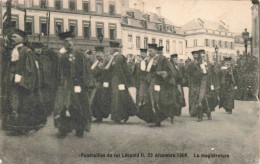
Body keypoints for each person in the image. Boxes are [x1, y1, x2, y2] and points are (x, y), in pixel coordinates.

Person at [1, 29, 43, 135]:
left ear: (22, 39)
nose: (13, 39)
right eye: (12, 37)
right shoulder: (12, 50)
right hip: (11, 81)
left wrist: (21, 79)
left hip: (22, 83)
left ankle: (24, 128)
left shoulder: (27, 51)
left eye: (15, 37)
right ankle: (14, 127)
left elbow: (30, 69)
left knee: (23, 104)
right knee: (12, 103)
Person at [53, 31, 93, 138]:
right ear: (63, 42)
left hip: (77, 84)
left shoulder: (79, 54)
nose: (69, 43)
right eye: (66, 41)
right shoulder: (60, 55)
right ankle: (63, 129)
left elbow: (85, 70)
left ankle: (80, 129)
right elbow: (57, 71)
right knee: (62, 106)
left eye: (71, 40)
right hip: (64, 85)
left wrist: (82, 83)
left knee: (78, 106)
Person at [137, 44, 177, 126]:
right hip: (150, 82)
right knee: (149, 99)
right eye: (148, 51)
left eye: (151, 51)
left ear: (155, 51)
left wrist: (162, 74)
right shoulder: (149, 60)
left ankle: (158, 120)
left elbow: (171, 71)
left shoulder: (162, 59)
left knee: (157, 100)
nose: (149, 53)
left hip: (159, 83)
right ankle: (154, 119)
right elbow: (148, 72)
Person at [105, 41, 137, 124]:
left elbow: (125, 70)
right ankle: (119, 116)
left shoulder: (120, 57)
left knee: (118, 99)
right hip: (114, 81)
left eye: (110, 48)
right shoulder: (113, 57)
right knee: (117, 99)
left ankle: (119, 117)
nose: (109, 49)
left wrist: (124, 82)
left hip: (119, 81)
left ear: (114, 48)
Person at [187, 50, 216, 122]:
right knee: (199, 100)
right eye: (201, 56)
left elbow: (211, 74)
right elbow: (193, 74)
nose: (203, 57)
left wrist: (212, 84)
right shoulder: (196, 64)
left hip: (207, 84)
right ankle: (200, 116)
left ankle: (208, 113)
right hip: (199, 84)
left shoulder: (208, 64)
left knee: (206, 100)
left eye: (204, 56)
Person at [31, 42, 58, 117]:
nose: (39, 50)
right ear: (34, 49)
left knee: (46, 97)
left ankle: (46, 111)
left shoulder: (45, 58)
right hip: (36, 82)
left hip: (45, 81)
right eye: (37, 48)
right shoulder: (32, 58)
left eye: (40, 48)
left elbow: (49, 69)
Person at [91, 46, 112, 122]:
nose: (98, 55)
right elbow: (92, 72)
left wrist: (106, 82)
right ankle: (98, 116)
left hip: (104, 84)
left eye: (99, 53)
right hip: (96, 83)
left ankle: (104, 115)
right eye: (97, 53)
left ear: (103, 54)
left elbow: (107, 72)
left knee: (103, 100)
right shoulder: (96, 62)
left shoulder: (106, 61)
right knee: (95, 100)